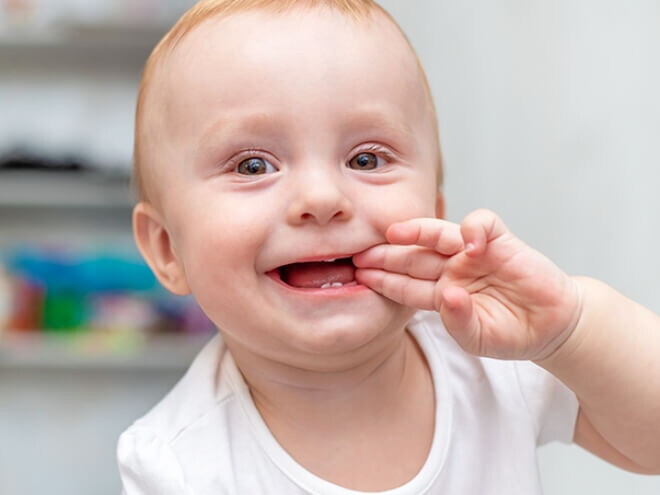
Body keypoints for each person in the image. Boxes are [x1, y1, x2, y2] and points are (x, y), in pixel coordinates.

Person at [117, 0, 660, 493]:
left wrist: (570, 330)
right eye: (253, 165)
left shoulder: (492, 361)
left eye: (366, 159)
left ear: (435, 212)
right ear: (166, 249)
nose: (322, 198)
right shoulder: (177, 464)